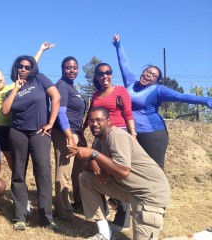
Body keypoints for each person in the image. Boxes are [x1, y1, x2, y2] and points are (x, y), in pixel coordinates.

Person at [68, 107, 170, 240]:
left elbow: (123, 171)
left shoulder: (116, 136)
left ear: (109, 121)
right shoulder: (99, 140)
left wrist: (94, 154)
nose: (94, 124)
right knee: (86, 178)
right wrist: (93, 161)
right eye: (91, 121)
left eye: (99, 120)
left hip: (149, 194)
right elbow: (89, 165)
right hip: (129, 189)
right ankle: (105, 234)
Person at [112, 34, 212, 169]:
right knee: (135, 168)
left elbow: (181, 97)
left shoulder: (158, 90)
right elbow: (124, 64)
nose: (149, 75)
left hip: (153, 134)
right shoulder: (130, 83)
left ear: (156, 80)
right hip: (132, 132)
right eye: (148, 71)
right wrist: (118, 45)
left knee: (155, 169)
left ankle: (160, 190)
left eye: (154, 75)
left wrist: (206, 100)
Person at [0, 37, 54, 170]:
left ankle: (16, 186)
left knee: (13, 163)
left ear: (3, 76)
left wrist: (40, 50)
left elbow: (29, 67)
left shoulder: (13, 87)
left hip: (7, 129)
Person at [2, 55, 61, 231]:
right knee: (18, 173)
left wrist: (50, 123)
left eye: (27, 67)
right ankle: (19, 216)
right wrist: (15, 89)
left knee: (43, 172)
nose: (24, 69)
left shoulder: (39, 79)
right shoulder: (10, 90)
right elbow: (5, 111)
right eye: (20, 66)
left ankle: (46, 217)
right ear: (16, 68)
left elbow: (56, 97)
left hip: (39, 132)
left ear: (32, 69)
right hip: (18, 132)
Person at [82, 62, 136, 232]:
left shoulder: (120, 91)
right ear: (96, 77)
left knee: (120, 174)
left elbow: (128, 113)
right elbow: (91, 115)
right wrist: (81, 131)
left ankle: (122, 221)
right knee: (97, 170)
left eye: (108, 72)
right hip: (101, 138)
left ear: (111, 74)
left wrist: (133, 134)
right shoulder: (96, 95)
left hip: (119, 135)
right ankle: (102, 215)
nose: (104, 76)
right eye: (100, 73)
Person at [51, 56, 86, 221]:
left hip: (76, 133)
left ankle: (79, 202)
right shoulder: (62, 86)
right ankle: (63, 210)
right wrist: (69, 137)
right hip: (65, 134)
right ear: (62, 69)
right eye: (68, 68)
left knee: (78, 170)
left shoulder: (73, 87)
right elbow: (60, 112)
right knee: (64, 171)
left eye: (74, 68)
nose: (71, 71)